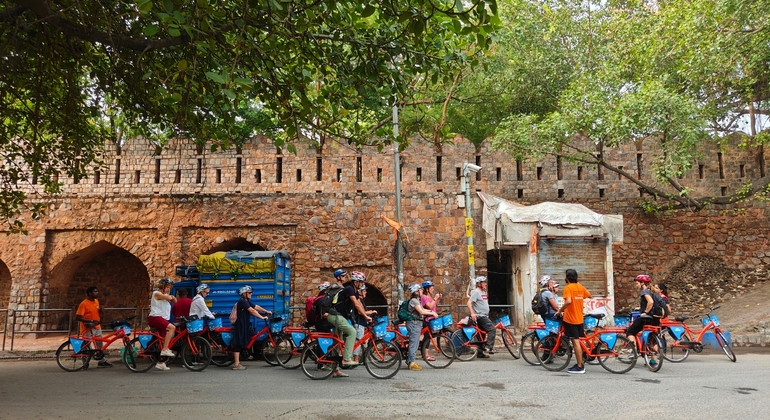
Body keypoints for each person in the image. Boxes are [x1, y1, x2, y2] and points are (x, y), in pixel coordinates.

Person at [324, 269, 371, 372]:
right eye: (361, 282)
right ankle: (346, 359)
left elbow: (360, 304)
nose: (362, 284)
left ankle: (334, 370)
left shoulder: (355, 292)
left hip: (339, 317)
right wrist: (366, 316)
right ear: (356, 282)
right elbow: (356, 303)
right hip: (335, 316)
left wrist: (366, 314)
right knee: (352, 332)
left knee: (338, 342)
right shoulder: (349, 289)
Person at [554, 269, 592, 374]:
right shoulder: (580, 287)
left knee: (575, 342)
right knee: (579, 341)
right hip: (580, 318)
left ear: (567, 278)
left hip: (571, 319)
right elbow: (589, 295)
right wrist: (578, 284)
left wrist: (560, 310)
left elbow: (569, 301)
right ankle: (581, 362)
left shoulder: (568, 288)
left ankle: (580, 367)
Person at [231, 285, 271, 370]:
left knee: (251, 336)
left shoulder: (247, 301)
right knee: (237, 343)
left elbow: (256, 307)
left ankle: (247, 353)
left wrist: (265, 311)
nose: (251, 294)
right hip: (240, 325)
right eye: (249, 292)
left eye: (251, 292)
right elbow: (252, 311)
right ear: (244, 293)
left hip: (245, 324)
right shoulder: (242, 302)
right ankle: (236, 364)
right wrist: (262, 317)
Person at [74, 286, 112, 367]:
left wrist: (100, 311)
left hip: (97, 326)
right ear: (89, 293)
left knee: (99, 345)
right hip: (87, 328)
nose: (97, 293)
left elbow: (96, 312)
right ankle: (85, 363)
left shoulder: (96, 301)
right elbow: (78, 317)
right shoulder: (84, 304)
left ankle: (101, 361)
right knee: (86, 346)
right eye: (95, 292)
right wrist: (90, 321)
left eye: (97, 291)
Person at [626, 274, 659, 363]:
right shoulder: (652, 291)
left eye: (637, 283)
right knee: (651, 339)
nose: (636, 285)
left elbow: (650, 302)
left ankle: (634, 351)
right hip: (655, 319)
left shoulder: (644, 291)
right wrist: (640, 308)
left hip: (646, 318)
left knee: (630, 331)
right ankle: (653, 361)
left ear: (642, 283)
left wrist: (645, 312)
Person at [405, 283, 438, 371]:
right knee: (414, 344)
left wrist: (431, 311)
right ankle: (411, 363)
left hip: (416, 324)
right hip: (414, 324)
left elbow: (423, 309)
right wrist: (432, 313)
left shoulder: (417, 300)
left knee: (414, 343)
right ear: (416, 292)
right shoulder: (414, 301)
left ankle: (409, 360)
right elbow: (421, 312)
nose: (421, 291)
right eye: (419, 290)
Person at [147, 278, 177, 370]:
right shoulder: (157, 293)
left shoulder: (164, 295)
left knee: (163, 340)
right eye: (167, 287)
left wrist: (171, 297)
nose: (169, 289)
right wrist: (170, 297)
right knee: (172, 328)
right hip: (155, 318)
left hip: (162, 319)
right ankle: (165, 350)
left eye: (170, 287)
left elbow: (175, 301)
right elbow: (170, 298)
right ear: (162, 287)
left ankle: (160, 362)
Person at [467, 276, 495, 358]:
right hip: (481, 317)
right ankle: (489, 347)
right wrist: (472, 313)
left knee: (481, 335)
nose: (485, 284)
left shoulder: (483, 292)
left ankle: (480, 353)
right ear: (479, 284)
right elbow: (469, 303)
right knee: (492, 329)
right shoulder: (476, 292)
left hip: (484, 316)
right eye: (484, 282)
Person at [352, 282, 377, 363]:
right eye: (364, 291)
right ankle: (355, 359)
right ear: (360, 292)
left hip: (361, 323)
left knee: (361, 341)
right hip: (358, 323)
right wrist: (371, 312)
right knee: (358, 342)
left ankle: (360, 358)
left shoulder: (361, 300)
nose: (366, 292)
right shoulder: (358, 300)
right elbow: (360, 312)